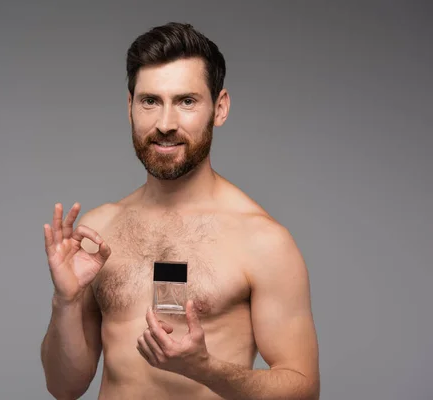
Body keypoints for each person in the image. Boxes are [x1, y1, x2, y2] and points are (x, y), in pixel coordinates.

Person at [40, 22, 320, 400]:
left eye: (186, 101)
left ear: (219, 109)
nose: (165, 124)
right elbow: (64, 387)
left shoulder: (263, 240)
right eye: (150, 101)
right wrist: (66, 301)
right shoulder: (98, 229)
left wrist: (207, 370)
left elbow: (304, 390)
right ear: (129, 106)